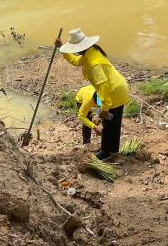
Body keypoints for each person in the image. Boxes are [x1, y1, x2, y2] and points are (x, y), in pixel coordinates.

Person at [56, 28, 130, 160]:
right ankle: (113, 149)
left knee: (108, 124)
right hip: (120, 88)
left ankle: (105, 152)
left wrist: (105, 108)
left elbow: (103, 85)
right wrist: (61, 48)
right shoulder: (91, 52)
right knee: (115, 123)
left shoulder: (93, 63)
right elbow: (75, 61)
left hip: (113, 92)